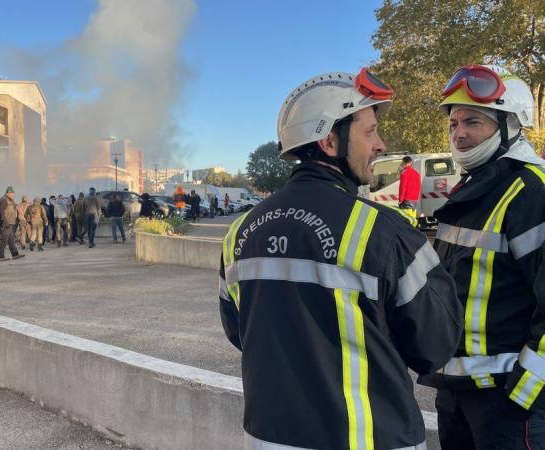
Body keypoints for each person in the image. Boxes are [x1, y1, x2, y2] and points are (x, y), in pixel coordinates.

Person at [219, 68, 463, 450]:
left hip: (267, 439)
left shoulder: (239, 232)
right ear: (331, 140)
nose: (380, 144)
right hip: (366, 439)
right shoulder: (385, 231)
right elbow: (434, 347)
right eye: (370, 131)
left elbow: (240, 332)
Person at [417, 64, 545, 448]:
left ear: (509, 125)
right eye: (454, 123)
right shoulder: (475, 187)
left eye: (473, 122)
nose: (459, 134)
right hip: (458, 392)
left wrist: (525, 393)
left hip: (508, 402)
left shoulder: (530, 192)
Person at [0, 186, 24, 262]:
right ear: (8, 193)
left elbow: (15, 208)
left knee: (11, 240)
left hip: (10, 223)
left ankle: (15, 254)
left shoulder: (10, 200)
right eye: (13, 193)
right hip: (6, 223)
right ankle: (0, 256)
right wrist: (5, 222)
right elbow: (2, 212)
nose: (14, 194)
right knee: (4, 240)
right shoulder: (4, 200)